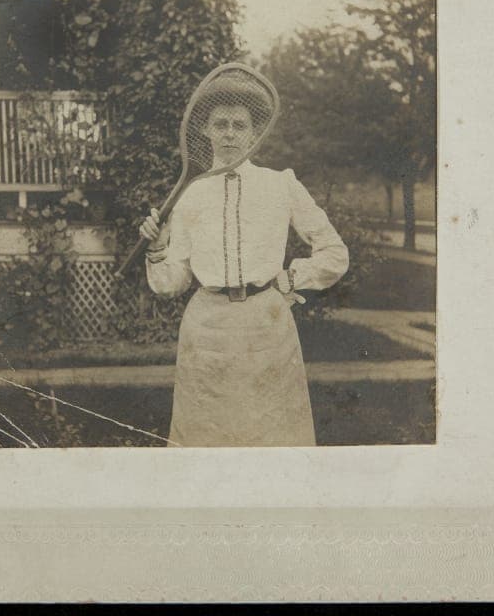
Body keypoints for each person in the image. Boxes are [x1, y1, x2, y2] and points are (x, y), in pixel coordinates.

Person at [139, 70, 349, 447]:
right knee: (205, 443)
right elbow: (172, 281)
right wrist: (156, 249)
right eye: (221, 124)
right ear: (205, 130)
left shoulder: (280, 184)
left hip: (267, 328)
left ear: (255, 132)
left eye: (240, 124)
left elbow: (335, 254)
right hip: (206, 331)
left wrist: (289, 280)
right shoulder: (191, 194)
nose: (230, 134)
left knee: (272, 440)